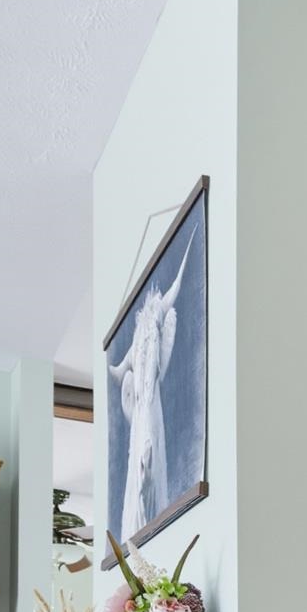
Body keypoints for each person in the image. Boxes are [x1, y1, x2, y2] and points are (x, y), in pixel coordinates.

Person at [110, 230, 193, 543]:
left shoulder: (158, 339)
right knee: (141, 460)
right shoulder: (141, 348)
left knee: (148, 456)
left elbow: (159, 358)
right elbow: (121, 372)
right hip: (144, 405)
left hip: (150, 404)